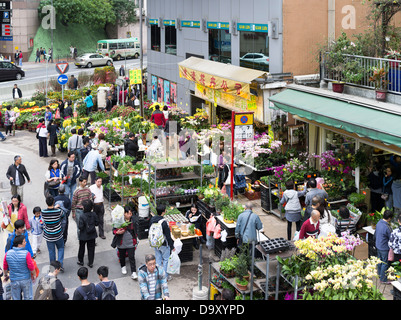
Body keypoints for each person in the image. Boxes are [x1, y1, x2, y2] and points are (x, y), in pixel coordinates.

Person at [3, 235, 36, 300]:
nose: (25, 243)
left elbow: (5, 267)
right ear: (19, 244)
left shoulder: (8, 254)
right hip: (25, 279)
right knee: (28, 297)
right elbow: (31, 267)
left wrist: (6, 275)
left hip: (14, 280)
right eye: (24, 242)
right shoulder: (26, 254)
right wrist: (34, 275)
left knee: (16, 298)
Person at [112, 205, 139, 280]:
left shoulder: (133, 220)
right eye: (128, 214)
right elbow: (114, 230)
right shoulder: (119, 220)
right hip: (121, 243)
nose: (129, 215)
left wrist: (136, 238)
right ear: (124, 213)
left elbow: (136, 230)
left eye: (130, 213)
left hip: (131, 242)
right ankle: (123, 267)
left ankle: (133, 272)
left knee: (131, 257)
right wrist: (117, 232)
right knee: (122, 256)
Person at [149, 204, 175, 280]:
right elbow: (168, 235)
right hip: (163, 244)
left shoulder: (152, 220)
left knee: (158, 260)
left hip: (155, 243)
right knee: (166, 260)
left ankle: (158, 275)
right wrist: (172, 246)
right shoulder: (163, 222)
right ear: (164, 211)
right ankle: (165, 277)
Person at [41, 195, 65, 272]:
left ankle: (53, 267)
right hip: (58, 234)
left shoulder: (43, 212)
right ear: (54, 202)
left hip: (48, 235)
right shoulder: (59, 211)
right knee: (61, 248)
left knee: (51, 251)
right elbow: (63, 216)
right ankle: (60, 264)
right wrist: (56, 207)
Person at [77, 199, 98, 268]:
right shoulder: (94, 214)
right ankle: (90, 262)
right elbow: (97, 223)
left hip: (83, 235)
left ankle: (81, 261)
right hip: (92, 235)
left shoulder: (82, 216)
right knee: (91, 249)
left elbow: (80, 227)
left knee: (82, 248)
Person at [375, 209, 394, 284]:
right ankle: (383, 279)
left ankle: (379, 274)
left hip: (378, 245)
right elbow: (391, 237)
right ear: (389, 218)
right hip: (384, 247)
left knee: (379, 261)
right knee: (385, 263)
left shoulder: (379, 222)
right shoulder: (387, 227)